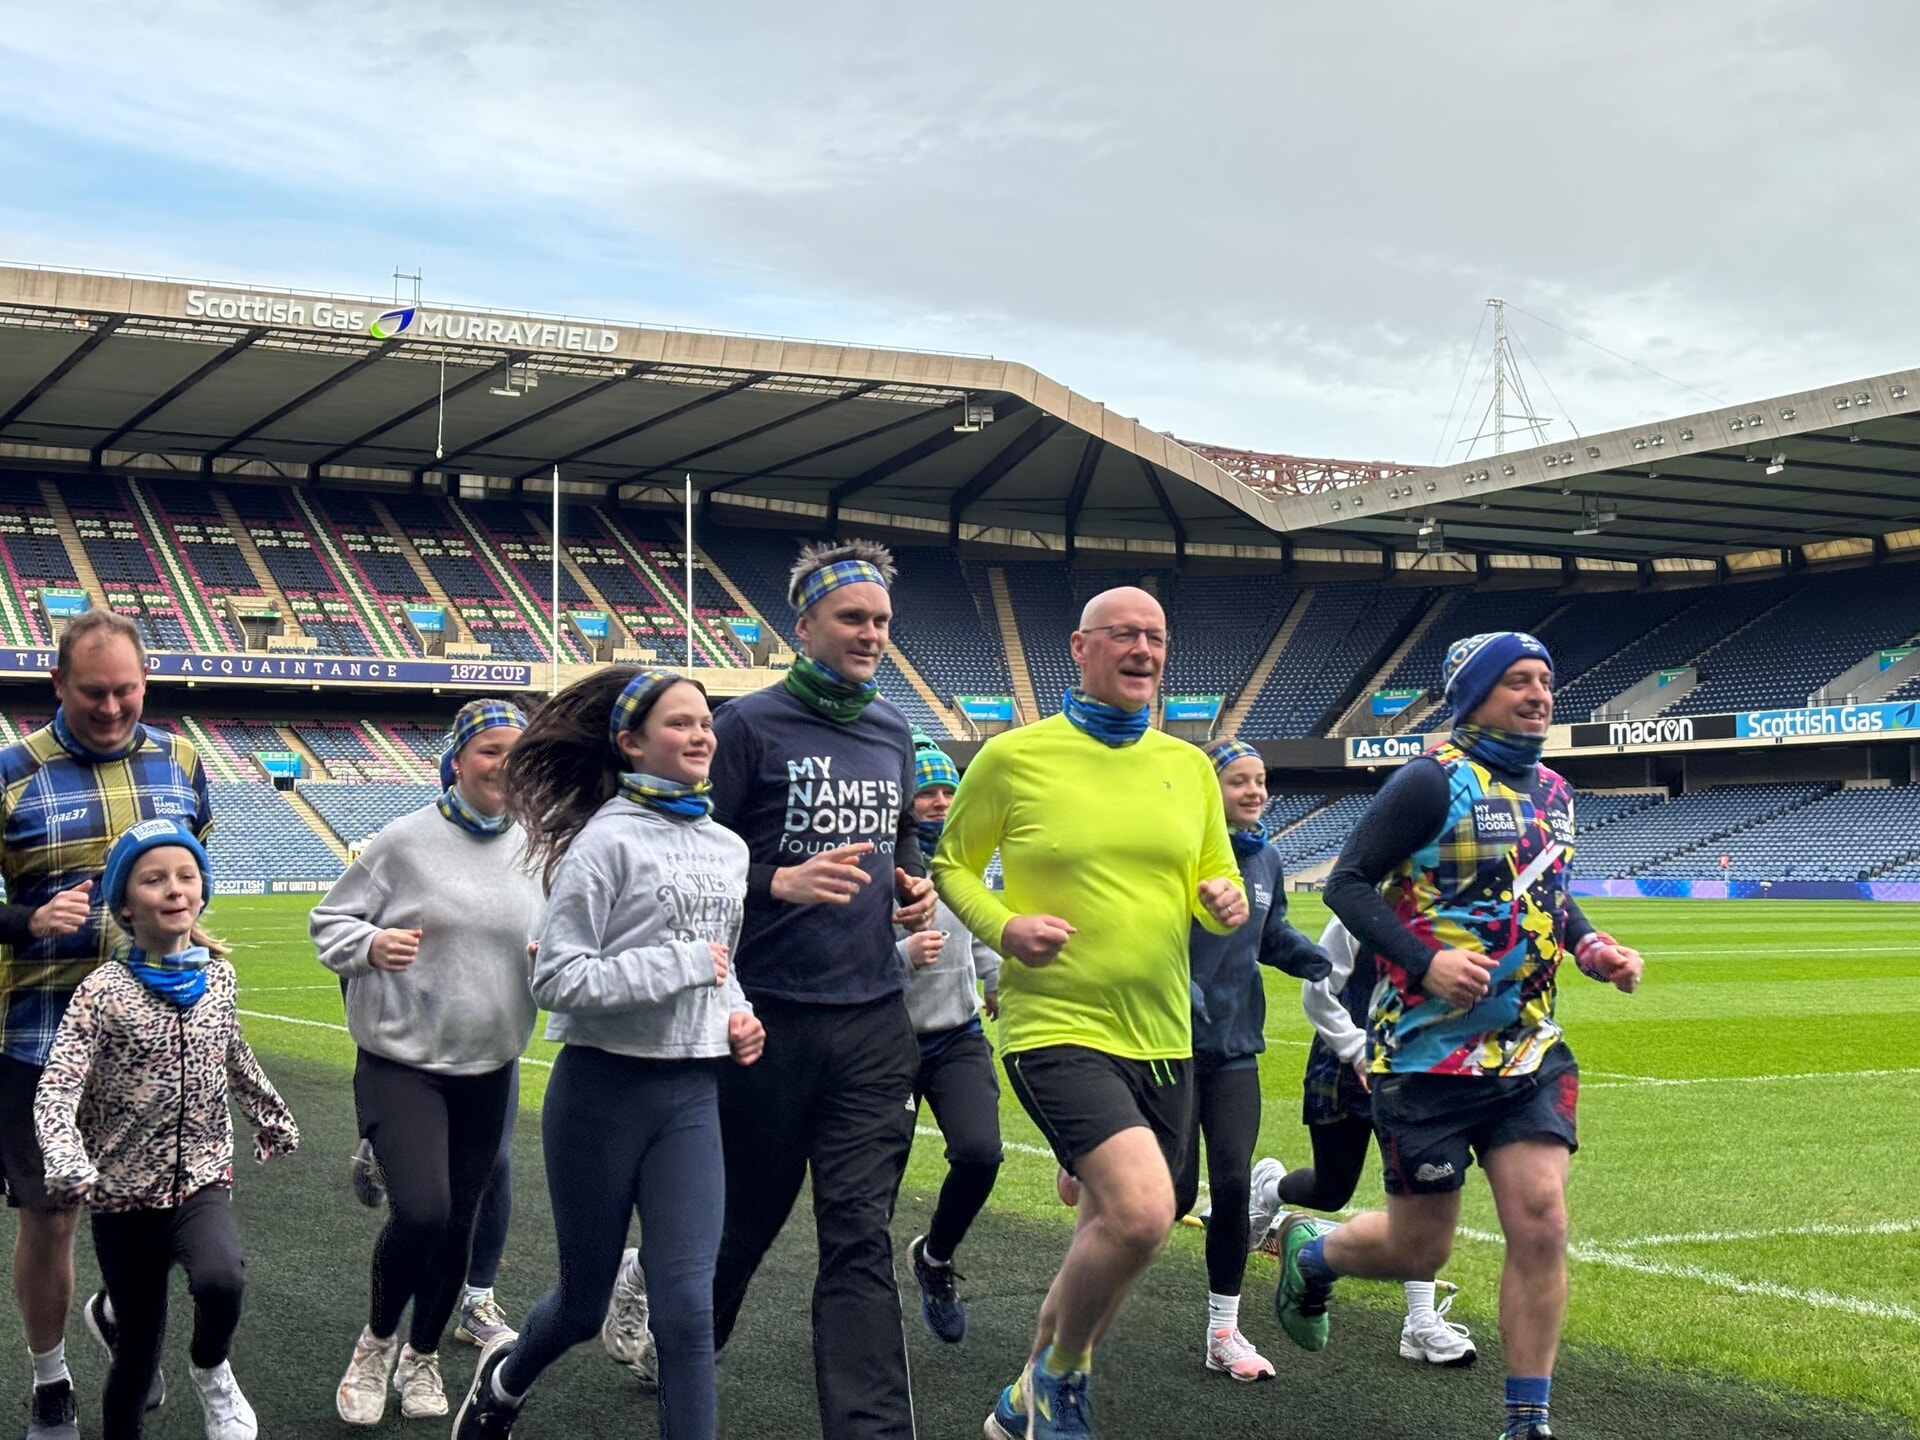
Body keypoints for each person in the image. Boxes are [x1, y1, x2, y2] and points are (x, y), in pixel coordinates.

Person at [1270, 632, 1644, 1440]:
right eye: (1518, 681)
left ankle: (1526, 1421)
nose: (1539, 694)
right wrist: (1426, 961)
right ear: (1475, 695)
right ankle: (1314, 1254)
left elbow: (1549, 889)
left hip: (1528, 1046)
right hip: (1424, 1054)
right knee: (1420, 1251)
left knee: (1541, 1220)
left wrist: (1591, 947)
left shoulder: (1555, 791)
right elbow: (1346, 883)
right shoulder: (1427, 783)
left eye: (1546, 679)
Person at [934, 585, 1248, 1440]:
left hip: (1163, 1032)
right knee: (1146, 1213)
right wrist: (1006, 926)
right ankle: (1064, 1377)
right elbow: (951, 864)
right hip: (1056, 1025)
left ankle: (1019, 1406)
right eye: (1125, 635)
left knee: (1110, 1232)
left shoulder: (1188, 768)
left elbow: (1216, 881)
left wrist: (1223, 899)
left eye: (1157, 636)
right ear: (1081, 647)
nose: (1144, 649)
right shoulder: (1013, 757)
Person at [452, 667, 765, 1440]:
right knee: (584, 1304)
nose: (701, 735)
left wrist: (740, 1014)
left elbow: (722, 966)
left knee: (686, 1310)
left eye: (705, 722)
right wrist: (685, 967)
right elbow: (558, 978)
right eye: (680, 723)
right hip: (601, 1095)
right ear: (630, 744)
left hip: (691, 1095)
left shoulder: (728, 847)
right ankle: (505, 1377)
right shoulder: (604, 842)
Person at [699, 540, 935, 1440]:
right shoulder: (746, 727)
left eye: (881, 620)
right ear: (803, 626)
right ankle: (687, 1342)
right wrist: (777, 883)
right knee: (745, 1226)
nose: (871, 634)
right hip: (767, 1022)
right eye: (853, 618)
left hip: (875, 1021)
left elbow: (899, 843)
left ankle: (871, 1429)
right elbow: (690, 863)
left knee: (858, 1232)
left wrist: (909, 886)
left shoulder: (891, 730)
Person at [0, 609, 212, 1440]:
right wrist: (23, 921)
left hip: (152, 1040)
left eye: (127, 690)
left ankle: (122, 1322)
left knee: (149, 1207)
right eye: (94, 692)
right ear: (57, 685)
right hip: (39, 1034)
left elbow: (197, 882)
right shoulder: (12, 773)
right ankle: (51, 1382)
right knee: (50, 1215)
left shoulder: (185, 763)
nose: (114, 707)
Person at [311, 700, 543, 1426]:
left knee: (459, 1225)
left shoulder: (540, 846)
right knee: (425, 1211)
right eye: (489, 751)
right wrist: (371, 947)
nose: (503, 766)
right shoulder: (403, 842)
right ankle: (376, 1345)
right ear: (458, 759)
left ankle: (424, 1356)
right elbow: (329, 923)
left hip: (488, 1067)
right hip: (402, 1061)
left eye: (517, 753)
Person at [33, 819, 297, 1440]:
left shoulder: (220, 978)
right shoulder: (102, 992)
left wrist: (270, 1112)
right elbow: (58, 1085)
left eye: (187, 876)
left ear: (203, 889)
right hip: (123, 1198)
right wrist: (65, 1154)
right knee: (137, 1356)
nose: (175, 889)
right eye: (155, 880)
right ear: (125, 903)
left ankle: (211, 1371)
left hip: (203, 1177)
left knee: (221, 1278)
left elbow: (233, 1052)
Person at [1246, 912, 1477, 1367]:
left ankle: (1420, 1323)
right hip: (1348, 1065)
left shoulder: (1454, 908)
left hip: (1418, 1073)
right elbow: (1318, 990)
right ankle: (1270, 1187)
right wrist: (1356, 1050)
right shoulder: (1358, 915)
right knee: (1331, 1190)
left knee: (1421, 1191)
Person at [1171, 738, 1329, 1383]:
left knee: (1233, 1183)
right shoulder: (1178, 854)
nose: (1256, 792)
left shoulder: (1265, 858)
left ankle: (1223, 1330)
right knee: (1170, 1192)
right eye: (1240, 781)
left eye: (1261, 780)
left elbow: (1270, 937)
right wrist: (1184, 986)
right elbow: (1149, 937)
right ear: (1210, 790)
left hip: (1236, 1048)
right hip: (1170, 1046)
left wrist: (1320, 962)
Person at [898, 734, 1002, 1345]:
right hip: (889, 1041)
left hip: (957, 1034)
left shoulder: (967, 858)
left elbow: (980, 927)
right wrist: (900, 953)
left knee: (980, 1154)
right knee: (875, 1180)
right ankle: (859, 1299)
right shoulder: (883, 862)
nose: (939, 803)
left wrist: (992, 979)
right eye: (927, 793)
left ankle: (935, 1259)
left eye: (947, 792)